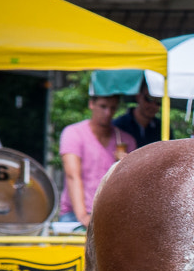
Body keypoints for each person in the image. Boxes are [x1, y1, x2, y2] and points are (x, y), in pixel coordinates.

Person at [58, 93, 136, 227]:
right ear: (91, 104)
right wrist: (83, 216)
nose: (108, 112)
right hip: (74, 215)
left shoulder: (125, 140)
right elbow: (72, 176)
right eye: (103, 106)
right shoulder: (73, 133)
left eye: (112, 108)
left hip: (111, 216)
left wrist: (126, 166)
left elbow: (132, 186)